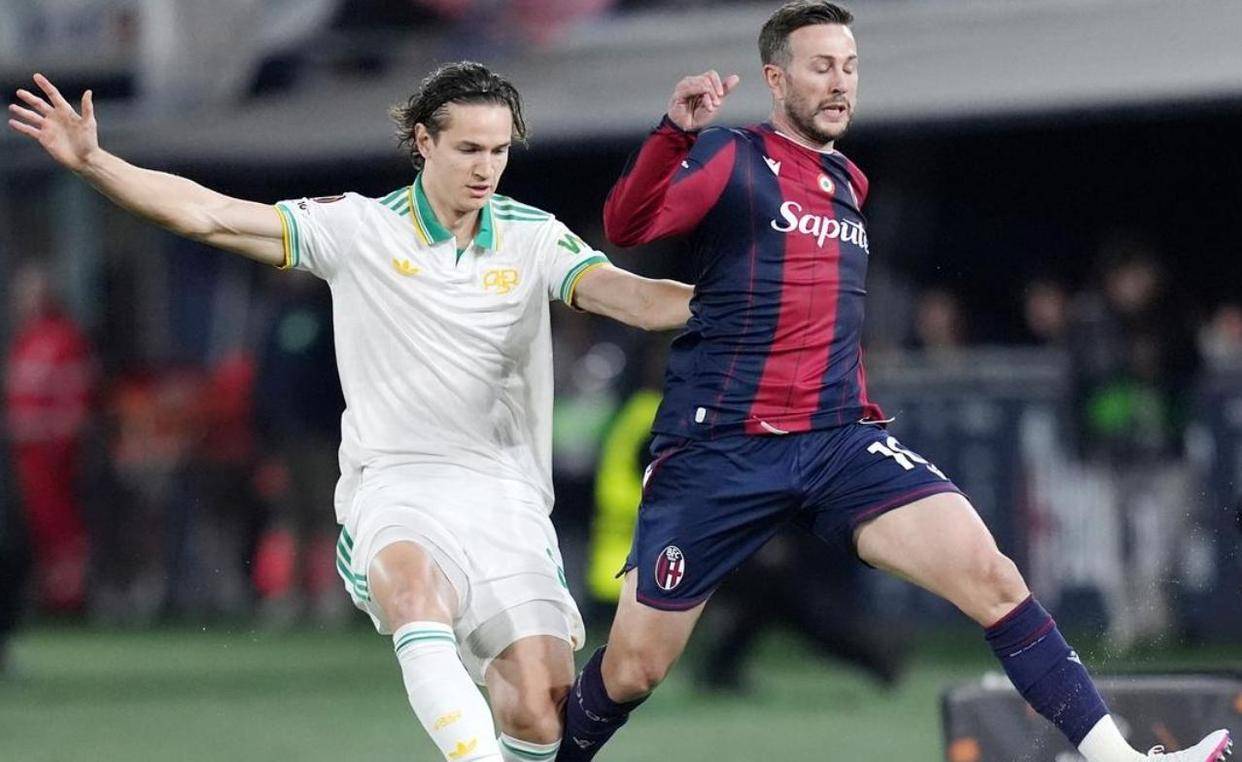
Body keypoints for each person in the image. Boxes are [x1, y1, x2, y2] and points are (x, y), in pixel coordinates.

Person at [555, 3, 1232, 761]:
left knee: (992, 577)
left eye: (849, 67)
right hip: (722, 449)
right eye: (821, 66)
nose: (840, 82)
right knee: (636, 669)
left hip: (839, 442)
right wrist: (673, 134)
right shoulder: (730, 155)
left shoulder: (847, 178)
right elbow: (629, 224)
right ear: (776, 79)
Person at [8, 62, 692, 762]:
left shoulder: (534, 237)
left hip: (506, 497)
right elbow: (209, 213)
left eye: (498, 150)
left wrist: (750, 303)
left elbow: (635, 299)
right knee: (414, 596)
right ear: (424, 142)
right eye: (468, 148)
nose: (486, 167)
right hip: (396, 484)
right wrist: (95, 163)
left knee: (539, 713)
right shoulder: (360, 227)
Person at [3, 263, 95, 613]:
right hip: (26, 455)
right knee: (38, 526)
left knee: (63, 526)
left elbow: (77, 401)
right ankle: (49, 594)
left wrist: (45, 429)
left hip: (57, 452)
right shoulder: (24, 340)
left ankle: (70, 599)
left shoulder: (65, 339)